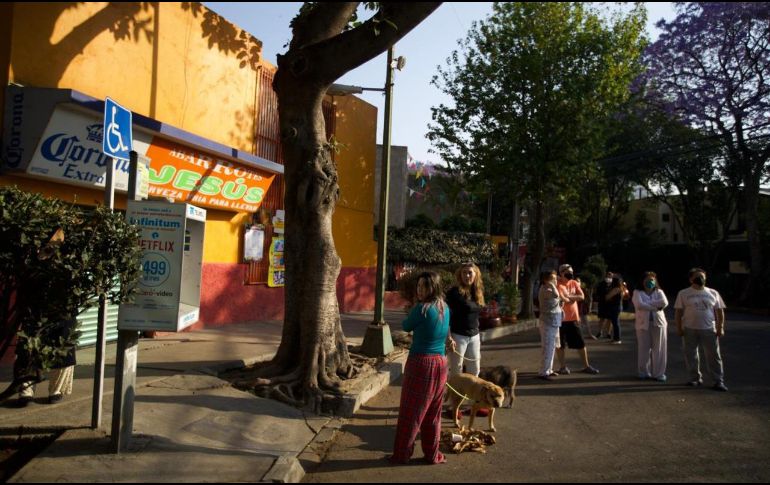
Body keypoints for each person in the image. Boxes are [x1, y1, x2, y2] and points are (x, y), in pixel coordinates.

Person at [390, 271, 451, 465]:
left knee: (411, 412)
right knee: (433, 413)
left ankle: (402, 454)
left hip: (421, 363)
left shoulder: (421, 309)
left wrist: (415, 306)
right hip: (440, 363)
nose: (420, 290)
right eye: (419, 286)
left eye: (424, 286)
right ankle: (432, 454)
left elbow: (406, 326)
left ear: (433, 287)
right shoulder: (444, 307)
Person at [674, 268, 728, 392]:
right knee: (691, 355)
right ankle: (694, 378)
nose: (700, 279)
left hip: (709, 329)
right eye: (697, 276)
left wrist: (720, 328)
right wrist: (679, 328)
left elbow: (720, 311)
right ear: (691, 279)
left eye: (702, 276)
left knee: (714, 356)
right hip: (689, 329)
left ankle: (718, 380)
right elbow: (678, 312)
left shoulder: (713, 293)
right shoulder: (683, 293)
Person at [15, 318, 77, 406]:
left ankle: (56, 389)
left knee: (64, 349)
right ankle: (26, 389)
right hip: (36, 310)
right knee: (28, 349)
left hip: (64, 311)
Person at [555, 264, 600, 375]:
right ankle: (563, 367)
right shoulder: (557, 284)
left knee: (580, 343)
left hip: (574, 318)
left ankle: (586, 366)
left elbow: (582, 296)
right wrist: (572, 297)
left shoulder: (574, 283)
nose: (571, 274)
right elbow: (563, 299)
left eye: (572, 271)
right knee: (560, 345)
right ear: (561, 272)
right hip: (560, 319)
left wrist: (570, 297)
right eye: (568, 272)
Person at [445, 263, 484, 377]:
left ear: (475, 274)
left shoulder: (477, 292)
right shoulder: (454, 292)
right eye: (464, 273)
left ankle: (471, 394)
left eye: (470, 273)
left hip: (474, 336)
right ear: (460, 275)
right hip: (458, 336)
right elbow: (447, 315)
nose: (467, 276)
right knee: (457, 370)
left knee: (475, 370)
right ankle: (454, 395)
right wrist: (449, 337)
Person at [632, 272, 668, 382]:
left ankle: (659, 374)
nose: (650, 282)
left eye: (652, 280)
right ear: (642, 281)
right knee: (643, 349)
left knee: (659, 349)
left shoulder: (659, 292)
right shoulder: (637, 292)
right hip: (643, 325)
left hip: (659, 324)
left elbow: (665, 303)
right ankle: (643, 372)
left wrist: (648, 303)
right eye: (647, 279)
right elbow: (639, 305)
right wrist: (656, 307)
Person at [538, 270, 563, 380]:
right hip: (547, 322)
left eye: (555, 278)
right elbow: (557, 295)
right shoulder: (547, 289)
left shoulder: (550, 288)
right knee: (548, 346)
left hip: (554, 321)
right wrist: (552, 285)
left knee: (552, 346)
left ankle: (549, 369)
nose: (555, 280)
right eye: (553, 278)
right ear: (546, 280)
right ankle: (544, 372)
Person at [605, 274, 629, 344]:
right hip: (617, 306)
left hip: (615, 307)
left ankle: (617, 339)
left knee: (615, 323)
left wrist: (607, 294)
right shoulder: (621, 288)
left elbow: (608, 296)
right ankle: (615, 338)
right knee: (615, 322)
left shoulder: (617, 289)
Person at [596, 272, 614, 339]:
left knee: (610, 319)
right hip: (602, 303)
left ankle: (608, 333)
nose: (609, 278)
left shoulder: (614, 285)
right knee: (602, 318)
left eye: (610, 276)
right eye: (608, 276)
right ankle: (600, 332)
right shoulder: (601, 284)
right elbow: (597, 293)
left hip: (611, 304)